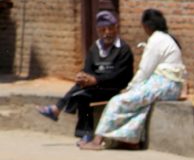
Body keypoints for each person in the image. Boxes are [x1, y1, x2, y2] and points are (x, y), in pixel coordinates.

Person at [80, 9, 186, 151]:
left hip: (164, 83)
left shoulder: (156, 40)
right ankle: (131, 140)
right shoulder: (167, 38)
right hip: (171, 87)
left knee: (117, 101)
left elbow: (144, 70)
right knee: (141, 105)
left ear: (147, 26)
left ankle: (98, 140)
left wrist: (130, 88)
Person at [36, 10, 134, 145]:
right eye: (102, 29)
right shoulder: (95, 48)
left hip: (114, 87)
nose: (107, 32)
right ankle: (86, 134)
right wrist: (83, 76)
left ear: (116, 28)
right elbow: (88, 69)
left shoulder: (123, 49)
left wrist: (95, 80)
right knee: (82, 94)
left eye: (110, 28)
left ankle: (57, 108)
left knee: (83, 92)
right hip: (96, 86)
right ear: (97, 30)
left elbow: (118, 75)